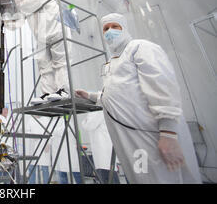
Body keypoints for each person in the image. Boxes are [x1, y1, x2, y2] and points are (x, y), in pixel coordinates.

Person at [75, 13, 201, 184]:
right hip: (133, 141)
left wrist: (168, 133)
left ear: (124, 28)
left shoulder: (140, 48)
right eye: (105, 29)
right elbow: (120, 94)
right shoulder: (113, 61)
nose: (109, 32)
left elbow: (162, 86)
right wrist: (91, 96)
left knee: (166, 179)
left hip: (153, 137)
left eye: (115, 27)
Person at [10, 0, 72, 103]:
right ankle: (48, 93)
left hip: (57, 30)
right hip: (42, 37)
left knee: (60, 62)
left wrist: (13, 2)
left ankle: (64, 90)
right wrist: (5, 21)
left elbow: (26, 6)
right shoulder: (22, 0)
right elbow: (17, 21)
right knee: (43, 64)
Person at [81, 111, 120, 183]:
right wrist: (86, 121)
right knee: (105, 177)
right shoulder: (96, 111)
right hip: (101, 155)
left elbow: (88, 125)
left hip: (104, 155)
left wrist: (85, 121)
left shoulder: (99, 110)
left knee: (108, 178)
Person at [51, 117, 81, 184]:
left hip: (68, 152)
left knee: (76, 173)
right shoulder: (52, 121)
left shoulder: (68, 120)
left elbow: (62, 132)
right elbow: (50, 132)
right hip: (58, 153)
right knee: (61, 175)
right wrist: (54, 132)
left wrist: (54, 132)